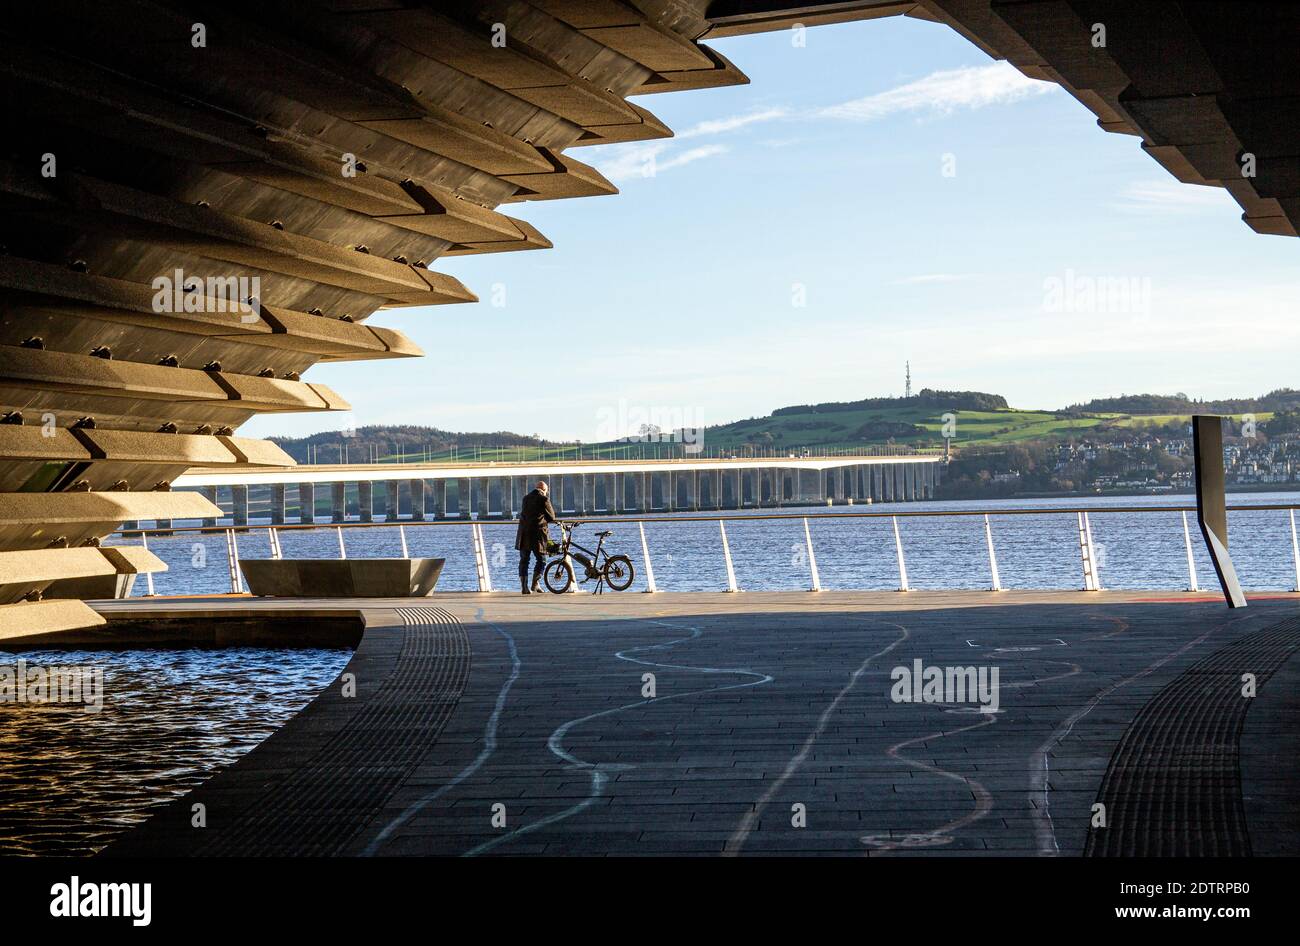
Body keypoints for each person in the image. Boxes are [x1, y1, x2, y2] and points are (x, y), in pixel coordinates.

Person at [515, 480, 557, 594]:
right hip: (538, 535)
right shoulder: (544, 499)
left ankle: (524, 587)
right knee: (541, 560)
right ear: (544, 490)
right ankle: (535, 584)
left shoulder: (525, 498)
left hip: (523, 534)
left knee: (524, 560)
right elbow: (552, 517)